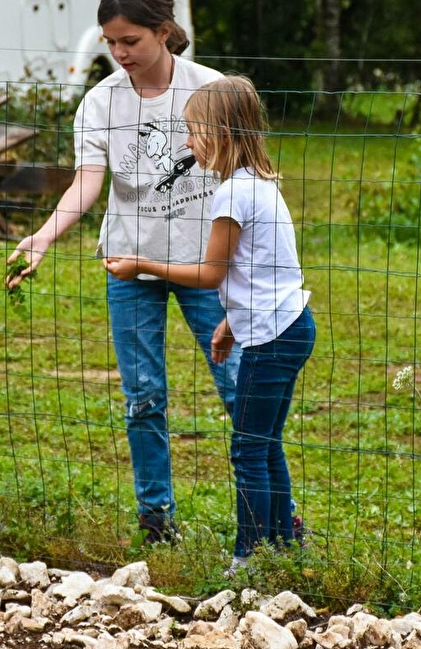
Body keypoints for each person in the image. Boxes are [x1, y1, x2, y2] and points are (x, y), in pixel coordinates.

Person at [4, 0, 241, 544]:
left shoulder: (211, 91)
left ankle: (273, 515)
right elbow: (88, 181)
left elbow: (243, 178)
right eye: (110, 42)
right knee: (144, 397)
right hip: (128, 266)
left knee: (240, 387)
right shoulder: (100, 101)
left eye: (130, 40)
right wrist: (45, 236)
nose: (118, 52)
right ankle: (156, 519)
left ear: (163, 31)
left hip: (205, 266)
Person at [104, 75, 315, 571]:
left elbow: (210, 274)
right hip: (291, 325)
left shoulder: (230, 196)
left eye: (194, 132)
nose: (186, 142)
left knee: (247, 451)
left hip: (270, 338)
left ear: (222, 133)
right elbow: (259, 272)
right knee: (265, 445)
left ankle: (248, 560)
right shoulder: (260, 184)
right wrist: (229, 325)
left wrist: (142, 265)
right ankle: (281, 548)